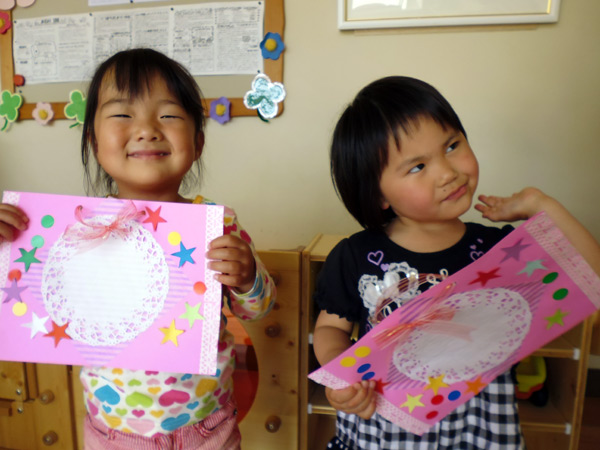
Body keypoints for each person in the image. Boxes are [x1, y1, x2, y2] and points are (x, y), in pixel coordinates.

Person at [0, 48, 276, 449]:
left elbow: (257, 308)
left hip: (207, 427)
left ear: (197, 143)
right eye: (122, 114)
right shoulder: (72, 230)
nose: (147, 129)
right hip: (113, 431)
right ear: (94, 141)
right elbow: (22, 302)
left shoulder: (218, 223)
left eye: (169, 115)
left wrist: (248, 276)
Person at [312, 76, 600, 450]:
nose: (448, 172)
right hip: (388, 421)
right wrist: (343, 378)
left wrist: (541, 206)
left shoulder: (498, 248)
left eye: (452, 145)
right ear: (377, 193)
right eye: (417, 167)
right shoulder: (354, 255)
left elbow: (591, 272)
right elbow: (331, 329)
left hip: (478, 422)